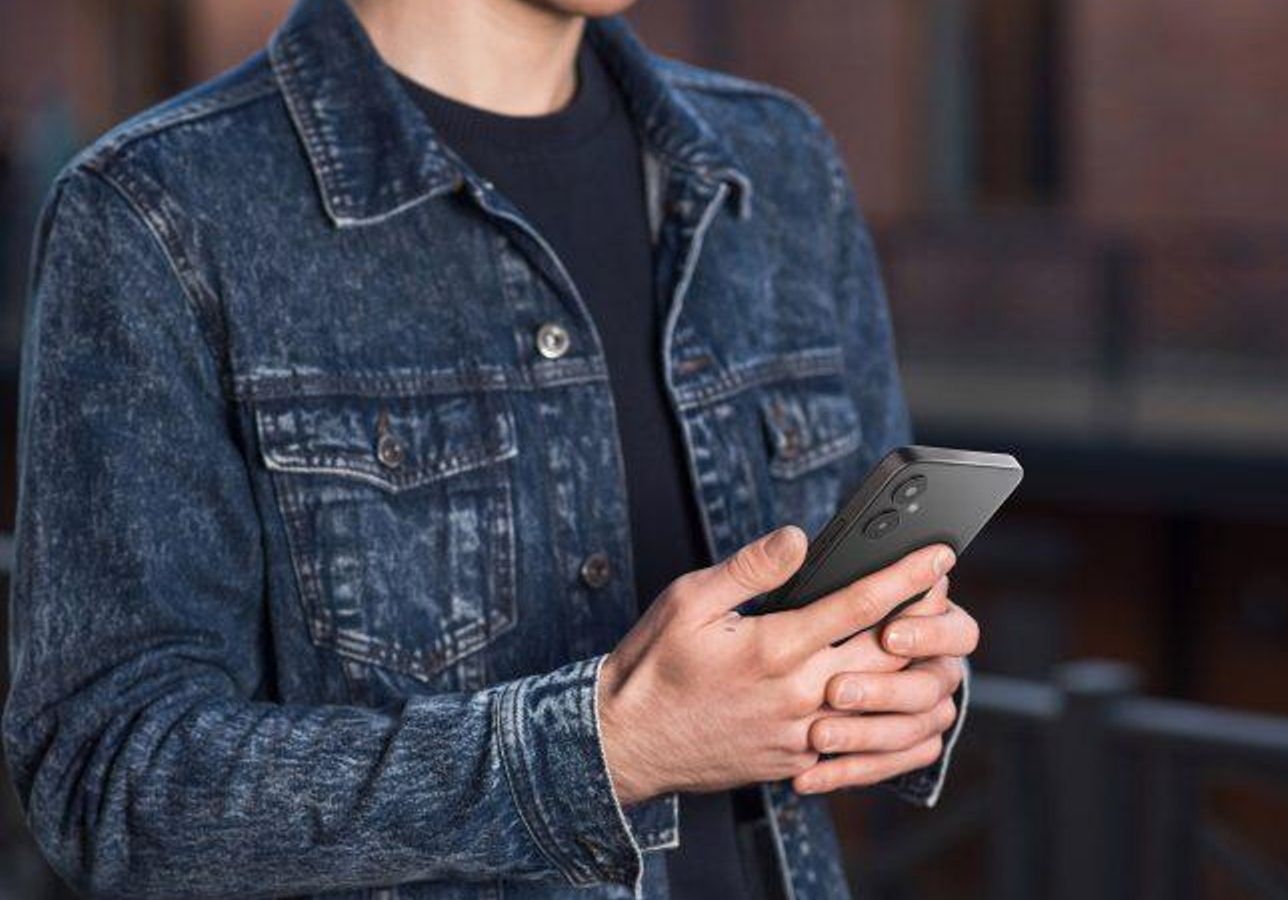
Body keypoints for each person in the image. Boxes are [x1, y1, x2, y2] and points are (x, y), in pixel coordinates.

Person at [1, 0, 980, 897]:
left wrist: (893, 687)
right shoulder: (157, 208)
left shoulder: (780, 162)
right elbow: (109, 782)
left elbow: (858, 618)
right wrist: (603, 751)